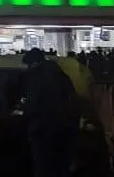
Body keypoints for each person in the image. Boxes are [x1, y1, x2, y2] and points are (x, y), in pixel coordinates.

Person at [21, 49, 78, 177]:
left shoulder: (36, 77)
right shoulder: (61, 74)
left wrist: (23, 112)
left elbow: (32, 104)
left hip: (42, 130)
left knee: (43, 168)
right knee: (62, 167)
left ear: (34, 63)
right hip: (65, 129)